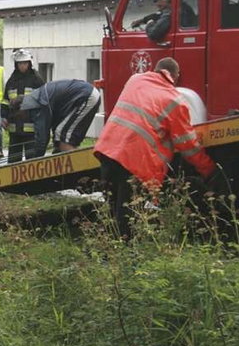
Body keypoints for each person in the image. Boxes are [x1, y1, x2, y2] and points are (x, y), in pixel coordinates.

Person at [94, 57, 219, 237]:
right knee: (128, 214)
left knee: (112, 206)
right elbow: (187, 145)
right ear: (175, 77)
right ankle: (124, 252)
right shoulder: (174, 99)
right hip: (136, 161)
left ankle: (107, 247)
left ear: (156, 70)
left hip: (107, 151)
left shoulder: (135, 80)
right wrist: (208, 169)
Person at [16, 79, 101, 160]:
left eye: (20, 116)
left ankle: (79, 169)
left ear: (22, 107)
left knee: (63, 137)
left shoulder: (38, 104)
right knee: (66, 138)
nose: (23, 119)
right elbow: (55, 126)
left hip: (85, 96)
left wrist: (35, 160)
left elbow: (42, 139)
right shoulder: (38, 97)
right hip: (86, 94)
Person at [4, 49, 45, 163]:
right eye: (20, 63)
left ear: (29, 63)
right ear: (16, 65)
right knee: (13, 161)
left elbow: (43, 101)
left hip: (31, 129)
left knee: (31, 161)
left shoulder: (36, 80)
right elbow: (5, 101)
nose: (22, 66)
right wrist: (3, 117)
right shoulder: (11, 81)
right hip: (14, 128)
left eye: (25, 63)